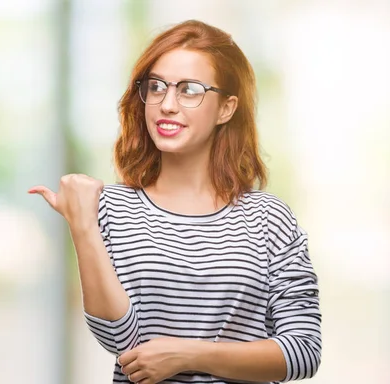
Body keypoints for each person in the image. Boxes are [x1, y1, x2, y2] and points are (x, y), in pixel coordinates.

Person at [28, 19, 321, 384]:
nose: (167, 104)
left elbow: (303, 351)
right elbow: (120, 341)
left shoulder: (269, 219)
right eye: (156, 87)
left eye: (189, 90)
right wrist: (82, 224)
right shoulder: (110, 209)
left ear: (226, 109)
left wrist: (187, 353)